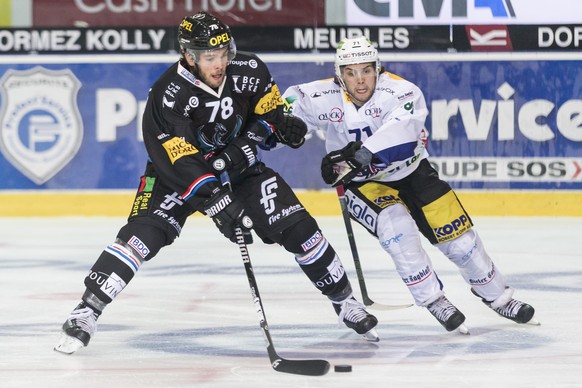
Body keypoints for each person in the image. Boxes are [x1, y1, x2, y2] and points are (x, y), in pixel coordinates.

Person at [54, 13, 379, 354]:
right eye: (210, 56)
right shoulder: (168, 94)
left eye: (223, 52)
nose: (220, 62)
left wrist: (280, 128)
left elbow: (268, 115)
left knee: (299, 228)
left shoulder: (250, 70)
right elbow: (180, 160)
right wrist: (219, 203)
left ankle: (345, 302)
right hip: (176, 177)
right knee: (142, 236)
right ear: (189, 56)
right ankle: (86, 310)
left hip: (239, 171)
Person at [282, 37, 537, 333]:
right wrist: (289, 129)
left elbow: (402, 136)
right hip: (363, 185)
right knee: (398, 231)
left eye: (366, 70)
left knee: (461, 242)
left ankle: (498, 297)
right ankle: (434, 299)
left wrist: (357, 157)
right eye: (350, 73)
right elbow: (284, 110)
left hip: (413, 172)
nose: (360, 80)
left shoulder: (402, 91)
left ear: (378, 68)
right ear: (339, 75)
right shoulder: (319, 95)